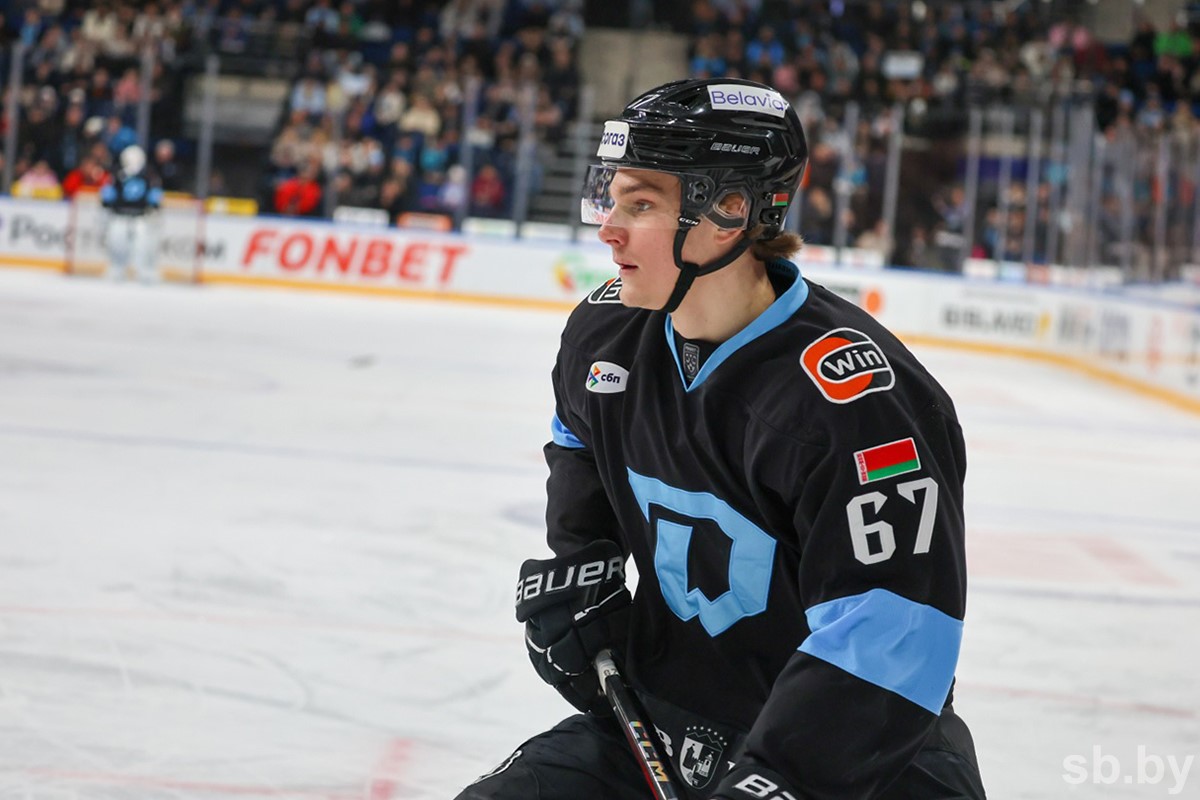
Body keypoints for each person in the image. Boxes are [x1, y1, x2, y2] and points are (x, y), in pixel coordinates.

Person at [455, 78, 986, 800]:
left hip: (857, 761)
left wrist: (780, 781)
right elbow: (577, 440)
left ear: (730, 211)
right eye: (610, 198)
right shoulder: (604, 337)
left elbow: (894, 628)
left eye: (641, 204)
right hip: (662, 725)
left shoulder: (862, 403)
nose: (609, 229)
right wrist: (584, 567)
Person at [101, 144, 162, 282]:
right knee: (117, 243)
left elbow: (155, 195)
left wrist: (154, 207)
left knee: (143, 246)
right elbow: (108, 194)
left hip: (140, 217)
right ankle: (117, 268)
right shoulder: (117, 175)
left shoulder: (149, 175)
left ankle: (144, 270)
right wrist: (106, 206)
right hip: (119, 216)